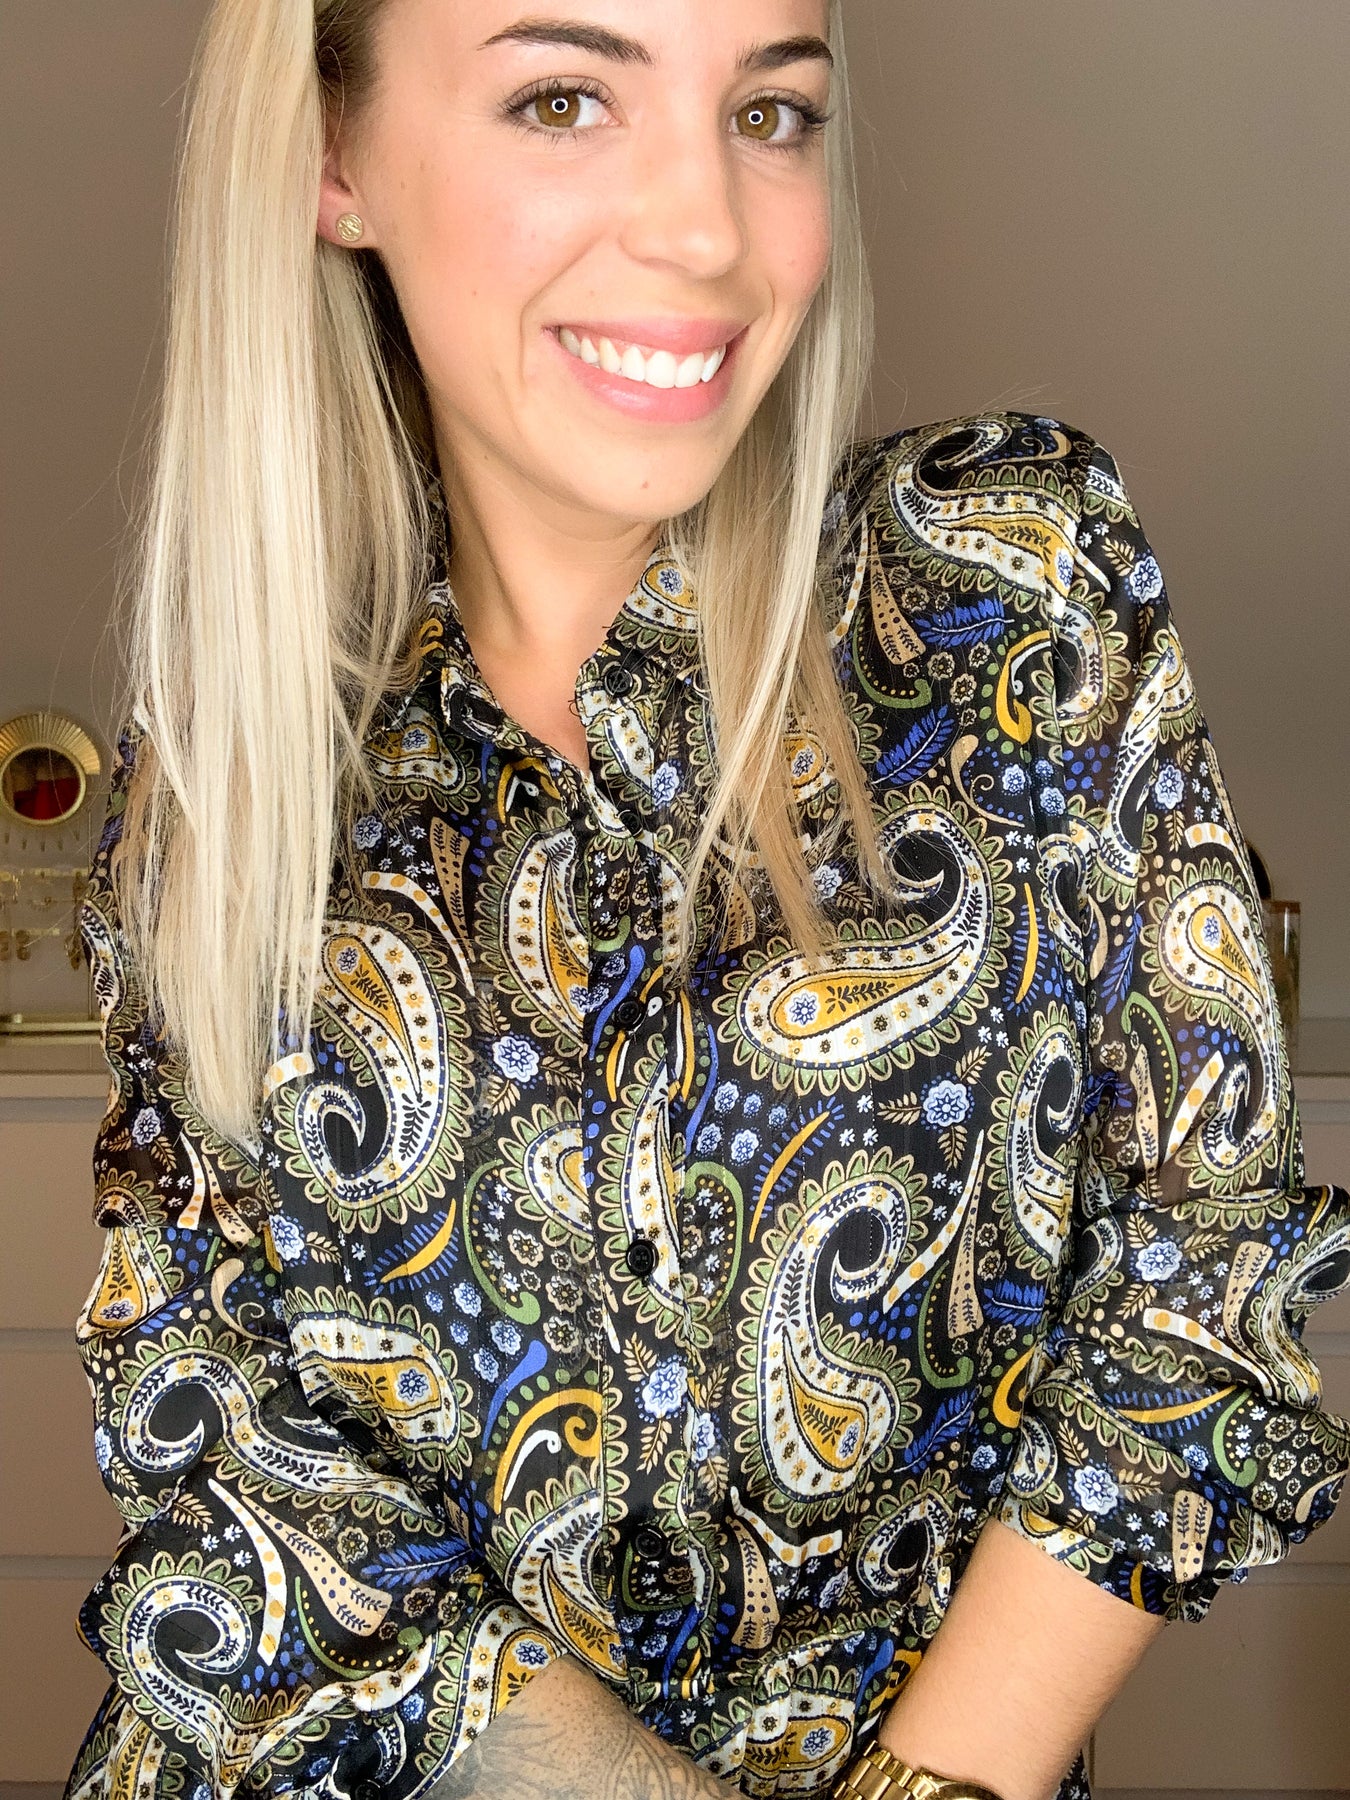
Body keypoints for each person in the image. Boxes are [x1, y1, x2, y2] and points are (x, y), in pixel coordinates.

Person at [64, 2, 1350, 1798]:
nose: (705, 230)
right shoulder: (226, 781)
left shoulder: (1004, 582)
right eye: (562, 98)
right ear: (331, 160)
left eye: (769, 114)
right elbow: (232, 1455)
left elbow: (1198, 1271)